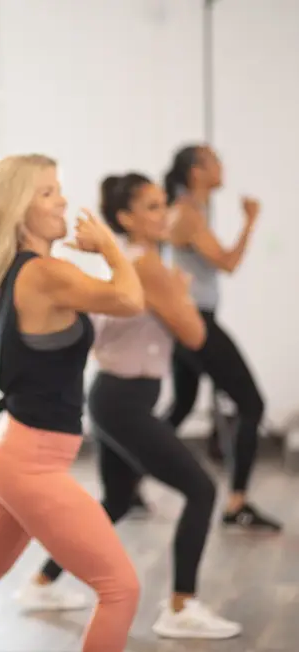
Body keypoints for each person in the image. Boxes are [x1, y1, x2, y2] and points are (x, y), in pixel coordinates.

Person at [0, 154, 143, 652]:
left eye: (58, 188)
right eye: (48, 191)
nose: (63, 199)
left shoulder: (12, 270)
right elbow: (130, 300)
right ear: (20, 208)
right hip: (30, 461)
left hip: (17, 450)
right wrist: (111, 247)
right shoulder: (44, 272)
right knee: (121, 588)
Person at [31, 173, 241, 639]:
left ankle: (41, 581)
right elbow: (194, 334)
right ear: (124, 218)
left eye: (163, 203)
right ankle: (181, 607)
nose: (163, 213)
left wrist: (174, 291)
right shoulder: (143, 265)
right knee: (202, 492)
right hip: (122, 401)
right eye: (150, 206)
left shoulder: (131, 261)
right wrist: (178, 294)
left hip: (114, 396)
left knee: (118, 500)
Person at [163, 144, 280, 531]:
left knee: (182, 405)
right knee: (251, 404)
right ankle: (237, 503)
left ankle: (124, 482)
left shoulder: (193, 211)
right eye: (214, 161)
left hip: (191, 318)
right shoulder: (186, 215)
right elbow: (228, 263)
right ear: (197, 171)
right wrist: (250, 221)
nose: (221, 166)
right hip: (195, 321)